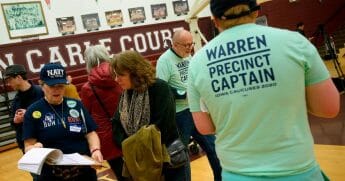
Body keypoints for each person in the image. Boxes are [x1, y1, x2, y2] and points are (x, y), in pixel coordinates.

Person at [187, 0, 340, 180]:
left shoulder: (197, 63)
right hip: (297, 170)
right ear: (256, 11)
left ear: (215, 20)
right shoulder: (294, 42)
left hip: (237, 173)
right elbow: (328, 108)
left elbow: (205, 127)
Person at [110, 50, 188, 180]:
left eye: (120, 75)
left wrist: (132, 145)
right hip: (142, 163)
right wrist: (129, 145)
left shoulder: (159, 88)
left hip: (169, 160)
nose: (116, 80)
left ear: (135, 73)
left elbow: (162, 126)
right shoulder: (125, 95)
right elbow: (116, 125)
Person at [156, 29, 222, 180]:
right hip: (179, 115)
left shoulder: (188, 56)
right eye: (185, 45)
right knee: (181, 156)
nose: (189, 48)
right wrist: (183, 93)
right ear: (174, 44)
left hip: (196, 109)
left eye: (190, 44)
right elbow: (161, 90)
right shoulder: (164, 61)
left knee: (214, 149)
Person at [22, 63, 103, 181]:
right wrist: (34, 148)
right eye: (52, 86)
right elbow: (28, 146)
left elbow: (90, 133)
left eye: (60, 85)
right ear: (42, 85)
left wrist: (95, 150)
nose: (57, 90)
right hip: (52, 175)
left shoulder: (76, 105)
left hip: (83, 172)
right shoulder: (33, 111)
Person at [80, 45, 124, 180]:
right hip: (128, 129)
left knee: (121, 173)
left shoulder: (87, 88)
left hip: (106, 137)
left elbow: (86, 115)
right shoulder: (120, 76)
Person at [3, 64, 44, 153]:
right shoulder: (15, 101)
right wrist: (15, 121)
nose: (8, 84)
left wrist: (29, 113)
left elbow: (53, 113)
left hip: (44, 143)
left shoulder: (41, 92)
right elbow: (13, 123)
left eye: (10, 80)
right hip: (26, 147)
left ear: (18, 77)